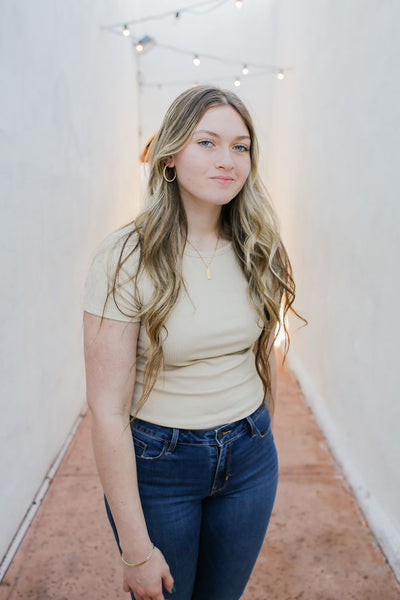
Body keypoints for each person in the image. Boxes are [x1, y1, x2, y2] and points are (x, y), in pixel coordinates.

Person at [83, 85, 300, 600]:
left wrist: (258, 428)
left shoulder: (257, 245)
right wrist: (136, 551)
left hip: (250, 456)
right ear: (171, 155)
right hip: (161, 466)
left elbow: (259, 353)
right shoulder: (124, 255)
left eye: (240, 146)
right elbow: (106, 409)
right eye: (207, 142)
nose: (227, 160)